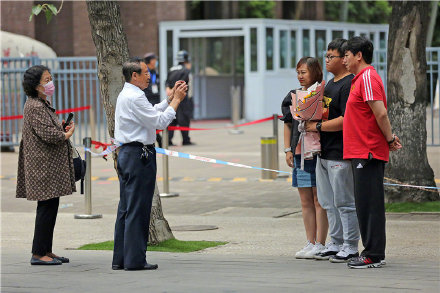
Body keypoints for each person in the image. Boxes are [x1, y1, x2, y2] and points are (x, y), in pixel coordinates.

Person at [112, 57, 187, 271]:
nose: (148, 76)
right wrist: (176, 101)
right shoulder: (134, 97)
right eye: (145, 72)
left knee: (126, 208)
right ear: (134, 75)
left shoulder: (129, 94)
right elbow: (158, 122)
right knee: (138, 208)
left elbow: (151, 112)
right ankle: (135, 260)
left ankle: (121, 258)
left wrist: (168, 99)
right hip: (138, 155)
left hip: (128, 153)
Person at [342, 36, 402, 269]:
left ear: (359, 55)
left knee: (370, 204)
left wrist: (389, 139)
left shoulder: (367, 78)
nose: (344, 59)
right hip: (360, 151)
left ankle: (374, 254)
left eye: (347, 55)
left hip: (367, 152)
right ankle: (371, 251)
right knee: (364, 203)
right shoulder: (360, 79)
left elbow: (381, 113)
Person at [305, 39, 360, 263]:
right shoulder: (329, 84)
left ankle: (350, 245)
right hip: (324, 152)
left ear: (344, 59)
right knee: (328, 202)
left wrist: (317, 126)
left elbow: (346, 119)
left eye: (331, 57)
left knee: (345, 202)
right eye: (325, 56)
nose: (326, 60)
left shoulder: (349, 84)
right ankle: (335, 242)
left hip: (341, 152)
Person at [16, 65, 76, 265]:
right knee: (46, 207)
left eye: (51, 78)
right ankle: (38, 253)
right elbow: (49, 135)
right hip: (43, 166)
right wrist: (65, 134)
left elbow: (48, 129)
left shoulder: (41, 103)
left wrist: (60, 128)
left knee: (51, 205)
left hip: (47, 165)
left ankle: (46, 250)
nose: (50, 83)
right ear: (35, 85)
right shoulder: (35, 106)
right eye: (46, 80)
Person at [281, 57, 328, 259]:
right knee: (305, 200)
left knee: (320, 200)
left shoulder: (325, 94)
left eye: (304, 72)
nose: (300, 76)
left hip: (318, 153)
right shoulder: (292, 95)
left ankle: (321, 243)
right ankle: (309, 242)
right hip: (300, 154)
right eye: (298, 72)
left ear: (316, 72)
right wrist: (288, 149)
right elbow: (287, 124)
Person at [166, 50, 194, 146]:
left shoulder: (171, 69)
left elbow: (167, 85)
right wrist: (190, 100)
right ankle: (186, 140)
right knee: (184, 119)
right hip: (183, 99)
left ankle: (168, 140)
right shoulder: (186, 71)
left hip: (172, 98)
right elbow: (189, 86)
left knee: (171, 119)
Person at [142, 52, 162, 147]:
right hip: (148, 99)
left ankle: (157, 139)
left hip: (155, 98)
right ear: (150, 62)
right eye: (154, 60)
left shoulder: (155, 72)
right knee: (151, 121)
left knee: (154, 121)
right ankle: (156, 140)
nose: (156, 62)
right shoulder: (146, 72)